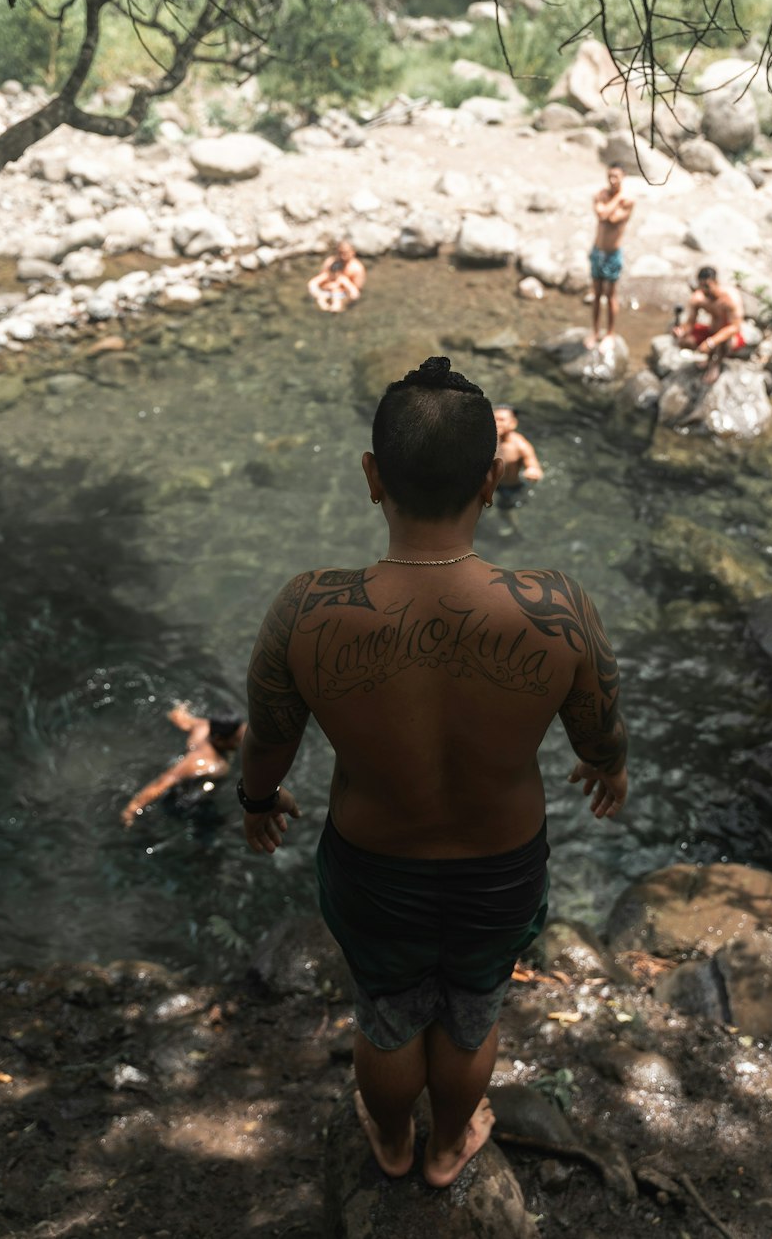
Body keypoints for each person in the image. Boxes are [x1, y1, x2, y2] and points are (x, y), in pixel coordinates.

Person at [238, 357, 628, 1189]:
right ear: (491, 481)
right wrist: (608, 771)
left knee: (386, 1017)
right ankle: (450, 1148)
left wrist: (256, 800)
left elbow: (269, 738)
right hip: (502, 866)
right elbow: (600, 721)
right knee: (471, 1010)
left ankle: (390, 1142)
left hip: (375, 865)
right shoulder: (555, 605)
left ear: (371, 477)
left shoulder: (307, 608)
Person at [120, 706, 245, 827]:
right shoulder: (202, 763)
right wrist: (132, 809)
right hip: (183, 795)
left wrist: (180, 709)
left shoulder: (203, 726)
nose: (243, 739)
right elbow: (164, 781)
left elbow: (179, 717)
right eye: (237, 738)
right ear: (219, 739)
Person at [673, 266, 746, 385]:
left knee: (725, 339)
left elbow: (735, 327)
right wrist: (681, 331)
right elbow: (690, 323)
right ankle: (708, 358)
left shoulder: (730, 298)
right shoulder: (699, 297)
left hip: (729, 336)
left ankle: (715, 364)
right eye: (701, 286)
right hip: (711, 331)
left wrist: (711, 342)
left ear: (716, 282)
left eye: (707, 286)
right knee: (684, 341)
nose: (704, 290)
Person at [586, 164, 634, 346]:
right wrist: (616, 200)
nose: (612, 180)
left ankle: (611, 333)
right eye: (610, 176)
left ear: (624, 177)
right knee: (596, 294)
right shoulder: (604, 195)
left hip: (612, 253)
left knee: (610, 295)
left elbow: (613, 219)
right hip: (597, 251)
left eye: (616, 177)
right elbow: (602, 215)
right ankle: (595, 331)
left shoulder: (629, 201)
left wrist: (613, 201)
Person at [492, 404, 544, 536]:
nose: (497, 423)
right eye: (494, 419)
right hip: (490, 482)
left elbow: (533, 464)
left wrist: (533, 470)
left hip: (509, 487)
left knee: (504, 508)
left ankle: (515, 529)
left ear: (513, 423)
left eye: (502, 420)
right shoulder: (487, 440)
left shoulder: (520, 445)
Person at [307, 240, 367, 313]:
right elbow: (320, 279)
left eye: (346, 253)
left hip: (344, 294)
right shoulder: (330, 262)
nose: (343, 256)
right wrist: (329, 286)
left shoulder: (357, 269)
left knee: (348, 298)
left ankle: (336, 309)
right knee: (312, 286)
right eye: (340, 253)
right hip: (328, 290)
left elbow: (356, 292)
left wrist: (343, 283)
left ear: (352, 252)